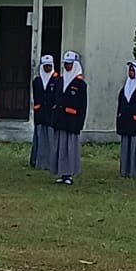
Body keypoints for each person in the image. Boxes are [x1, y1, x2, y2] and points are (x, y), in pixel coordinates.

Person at [52, 51, 86, 186]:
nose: (67, 66)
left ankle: (69, 174)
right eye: (65, 64)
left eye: (69, 64)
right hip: (60, 120)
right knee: (60, 147)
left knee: (70, 148)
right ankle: (61, 172)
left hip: (72, 122)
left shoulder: (80, 84)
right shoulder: (60, 81)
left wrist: (79, 123)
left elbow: (82, 105)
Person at [30, 55, 59, 169]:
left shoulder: (57, 80)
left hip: (51, 114)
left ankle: (50, 162)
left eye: (49, 66)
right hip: (40, 113)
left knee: (50, 137)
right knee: (39, 136)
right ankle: (37, 161)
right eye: (45, 66)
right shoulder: (37, 81)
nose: (47, 68)